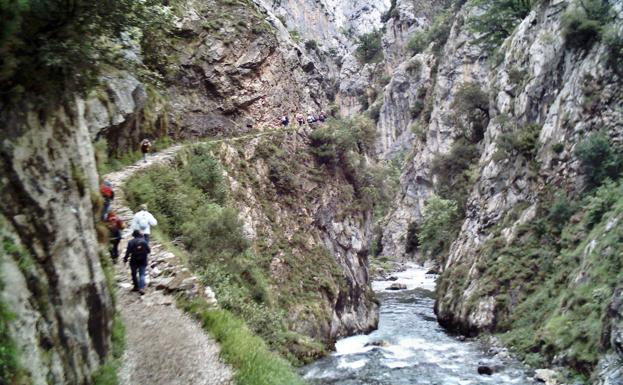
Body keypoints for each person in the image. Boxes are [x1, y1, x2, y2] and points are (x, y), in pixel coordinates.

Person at [123, 230, 150, 294]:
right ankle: (141, 288)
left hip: (133, 260)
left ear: (134, 235)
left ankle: (136, 287)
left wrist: (125, 259)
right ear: (140, 235)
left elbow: (128, 252)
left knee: (134, 274)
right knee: (142, 274)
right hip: (143, 260)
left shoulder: (130, 242)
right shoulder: (144, 242)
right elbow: (149, 251)